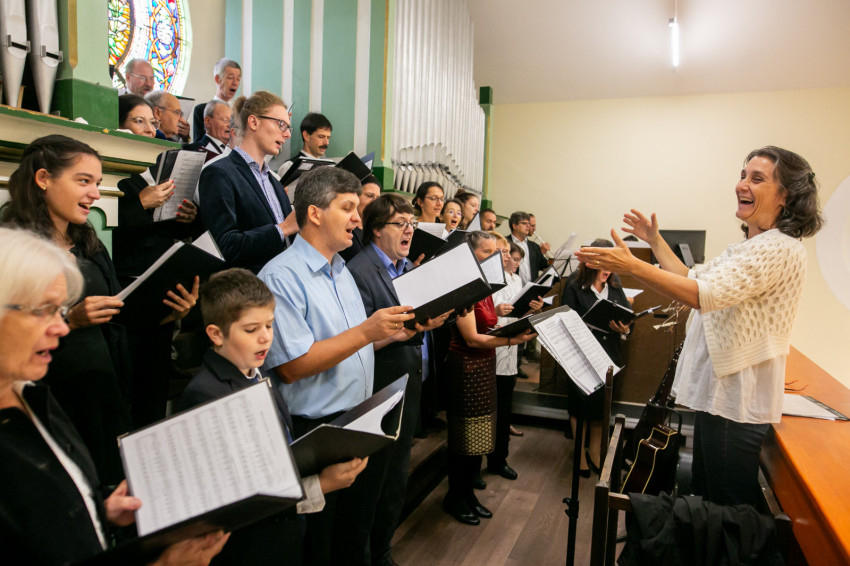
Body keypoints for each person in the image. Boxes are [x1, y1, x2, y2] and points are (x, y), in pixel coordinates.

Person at [575, 146, 824, 506]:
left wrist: (632, 266)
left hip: (736, 403)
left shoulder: (778, 248)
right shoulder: (750, 246)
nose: (742, 184)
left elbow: (701, 295)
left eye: (757, 179)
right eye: (743, 175)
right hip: (721, 397)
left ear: (786, 196)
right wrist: (654, 241)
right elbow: (692, 278)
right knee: (706, 500)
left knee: (722, 507)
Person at [0, 227, 229, 566]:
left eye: (59, 311)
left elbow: (44, 521)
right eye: (42, 311)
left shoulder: (33, 396)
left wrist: (101, 509)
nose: (62, 327)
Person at [1, 135, 198, 483]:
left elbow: (121, 313)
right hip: (53, 392)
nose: (95, 193)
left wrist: (168, 313)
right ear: (43, 178)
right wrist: (71, 319)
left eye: (97, 183)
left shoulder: (87, 242)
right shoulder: (14, 248)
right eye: (83, 181)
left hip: (103, 387)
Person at [258, 166, 414, 565]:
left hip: (357, 419)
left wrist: (390, 334)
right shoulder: (281, 276)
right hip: (317, 430)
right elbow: (292, 366)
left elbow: (349, 345)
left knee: (354, 536)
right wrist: (365, 332)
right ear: (314, 213)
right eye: (347, 208)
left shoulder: (341, 269)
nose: (358, 219)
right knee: (322, 546)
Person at [176, 268, 368, 566]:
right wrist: (319, 485)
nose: (266, 337)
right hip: (250, 548)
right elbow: (235, 500)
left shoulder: (259, 372)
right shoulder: (205, 395)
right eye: (251, 330)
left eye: (269, 325)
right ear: (216, 333)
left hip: (285, 533)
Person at [347, 194, 450, 565]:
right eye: (401, 223)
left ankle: (383, 550)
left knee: (394, 480)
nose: (410, 230)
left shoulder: (405, 268)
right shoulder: (359, 271)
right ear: (377, 230)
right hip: (378, 388)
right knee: (372, 484)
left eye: (412, 223)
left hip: (408, 384)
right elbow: (353, 341)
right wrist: (398, 334)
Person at [113, 98, 202, 427]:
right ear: (119, 127)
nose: (150, 130)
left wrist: (187, 218)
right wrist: (140, 204)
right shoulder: (115, 176)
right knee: (127, 391)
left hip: (159, 290)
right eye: (139, 122)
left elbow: (162, 229)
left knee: (154, 389)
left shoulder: (154, 175)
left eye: (152, 122)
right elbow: (109, 232)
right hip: (129, 291)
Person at [443, 231, 536, 526]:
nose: (495, 256)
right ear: (471, 254)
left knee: (479, 435)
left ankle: (468, 494)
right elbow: (471, 338)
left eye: (496, 251)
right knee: (463, 439)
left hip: (484, 365)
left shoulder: (484, 284)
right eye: (487, 251)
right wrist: (511, 340)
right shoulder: (464, 284)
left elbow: (487, 322)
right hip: (465, 368)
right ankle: (454, 497)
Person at [198, 91, 298, 273]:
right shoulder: (219, 173)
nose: (287, 135)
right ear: (253, 122)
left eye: (287, 128)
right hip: (248, 284)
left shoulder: (274, 182)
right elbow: (226, 246)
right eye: (281, 124)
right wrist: (283, 228)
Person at [562, 239, 632, 477]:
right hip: (581, 355)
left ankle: (594, 451)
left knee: (602, 406)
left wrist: (624, 328)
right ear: (591, 262)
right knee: (580, 406)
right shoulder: (574, 284)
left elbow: (626, 314)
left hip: (608, 354)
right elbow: (566, 319)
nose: (608, 270)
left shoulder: (614, 283)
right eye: (603, 264)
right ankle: (579, 456)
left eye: (611, 264)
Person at [192, 58, 242, 141]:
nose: (235, 83)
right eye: (230, 77)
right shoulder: (201, 110)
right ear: (217, 79)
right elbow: (199, 144)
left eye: (238, 79)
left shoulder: (241, 112)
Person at [276, 112, 334, 180]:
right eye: (321, 137)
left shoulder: (330, 167)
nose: (326, 143)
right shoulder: (289, 167)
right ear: (306, 136)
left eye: (328, 138)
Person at [338, 174, 381, 263]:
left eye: (377, 198)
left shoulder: (376, 230)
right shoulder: (347, 231)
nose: (375, 202)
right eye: (370, 196)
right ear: (355, 196)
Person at [508, 211, 547, 283]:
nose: (528, 226)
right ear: (514, 226)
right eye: (524, 223)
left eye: (528, 224)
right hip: (511, 286)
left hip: (531, 288)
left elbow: (544, 266)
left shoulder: (534, 247)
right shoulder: (505, 243)